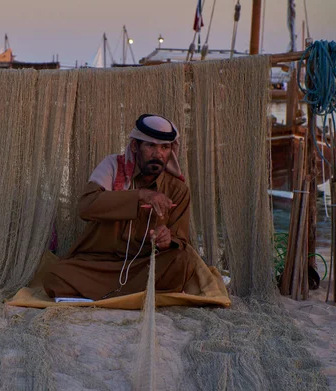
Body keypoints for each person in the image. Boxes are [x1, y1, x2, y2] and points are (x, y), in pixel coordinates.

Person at [43, 113, 214, 301]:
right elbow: (86, 206)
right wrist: (140, 196)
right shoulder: (112, 167)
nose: (158, 154)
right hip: (99, 263)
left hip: (144, 265)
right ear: (135, 146)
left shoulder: (177, 189)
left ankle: (110, 294)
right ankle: (138, 295)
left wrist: (167, 240)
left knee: (184, 261)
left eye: (165, 147)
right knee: (55, 276)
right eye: (150, 146)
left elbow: (180, 240)